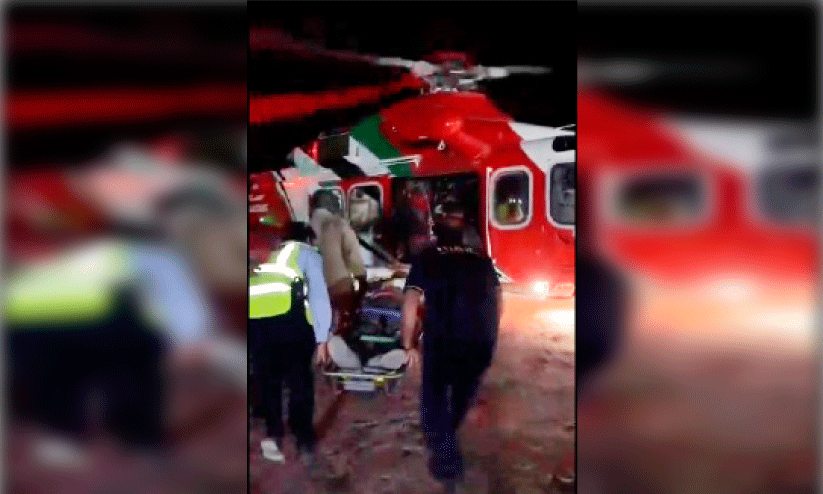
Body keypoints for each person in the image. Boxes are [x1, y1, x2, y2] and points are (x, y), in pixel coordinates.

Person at [5, 186, 247, 468]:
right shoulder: (150, 254)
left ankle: (73, 438)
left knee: (71, 378)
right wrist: (196, 339)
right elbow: (180, 302)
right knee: (128, 367)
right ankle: (133, 439)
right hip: (70, 320)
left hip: (35, 318)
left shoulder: (96, 250)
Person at [401, 200, 503, 492]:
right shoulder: (481, 259)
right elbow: (499, 301)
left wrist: (408, 344)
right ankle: (446, 436)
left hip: (444, 341)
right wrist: (490, 333)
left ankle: (448, 469)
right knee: (461, 396)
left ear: (435, 231)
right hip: (482, 341)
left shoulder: (428, 257)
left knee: (434, 403)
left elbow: (410, 303)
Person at [249, 220, 333, 468]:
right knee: (300, 381)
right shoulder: (305, 253)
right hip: (290, 323)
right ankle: (303, 438)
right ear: (307, 238)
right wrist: (323, 338)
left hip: (256, 323)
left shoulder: (267, 254)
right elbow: (318, 295)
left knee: (268, 381)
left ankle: (273, 434)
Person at [309, 189, 367, 337]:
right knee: (343, 329)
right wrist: (362, 280)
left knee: (322, 331)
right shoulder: (338, 224)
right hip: (340, 287)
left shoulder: (307, 228)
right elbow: (353, 256)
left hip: (314, 290)